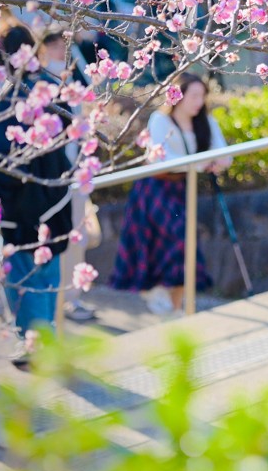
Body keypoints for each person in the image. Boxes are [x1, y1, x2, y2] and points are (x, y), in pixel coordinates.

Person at [0, 23, 74, 364]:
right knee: (47, 269)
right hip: (55, 195)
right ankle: (46, 340)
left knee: (21, 271)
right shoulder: (52, 86)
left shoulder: (14, 96)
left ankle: (35, 345)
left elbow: (5, 160)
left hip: (21, 204)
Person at [110, 72, 231, 317]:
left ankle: (176, 308)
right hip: (155, 189)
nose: (199, 101)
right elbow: (161, 157)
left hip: (183, 187)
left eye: (202, 95)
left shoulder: (205, 122)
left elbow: (224, 155)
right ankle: (157, 294)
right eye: (194, 95)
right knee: (169, 242)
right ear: (178, 96)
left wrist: (209, 163)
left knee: (184, 246)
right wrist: (200, 163)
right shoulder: (160, 120)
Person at [36, 23, 98, 323]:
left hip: (74, 171)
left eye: (64, 44)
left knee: (77, 236)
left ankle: (71, 297)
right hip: (48, 175)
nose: (61, 49)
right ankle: (50, 298)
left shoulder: (74, 74)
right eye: (55, 44)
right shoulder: (37, 80)